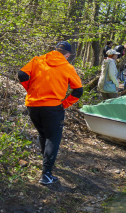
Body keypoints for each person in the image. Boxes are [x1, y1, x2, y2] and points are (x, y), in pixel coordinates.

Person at [18, 41, 83, 185]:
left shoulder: (38, 60)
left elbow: (21, 74)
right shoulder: (67, 67)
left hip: (33, 105)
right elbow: (78, 90)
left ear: (55, 50)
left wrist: (30, 90)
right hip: (53, 107)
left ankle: (45, 164)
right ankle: (46, 174)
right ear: (67, 55)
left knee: (44, 135)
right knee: (53, 138)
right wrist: (65, 104)